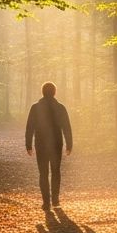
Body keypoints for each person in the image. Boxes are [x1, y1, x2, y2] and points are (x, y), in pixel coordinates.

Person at [25, 82, 73, 210]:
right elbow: (66, 127)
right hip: (57, 144)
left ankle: (46, 202)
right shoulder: (60, 107)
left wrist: (28, 144)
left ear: (42, 92)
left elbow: (30, 127)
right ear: (54, 92)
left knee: (43, 173)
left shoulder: (35, 107)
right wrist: (69, 144)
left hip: (41, 144)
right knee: (56, 171)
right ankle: (55, 200)